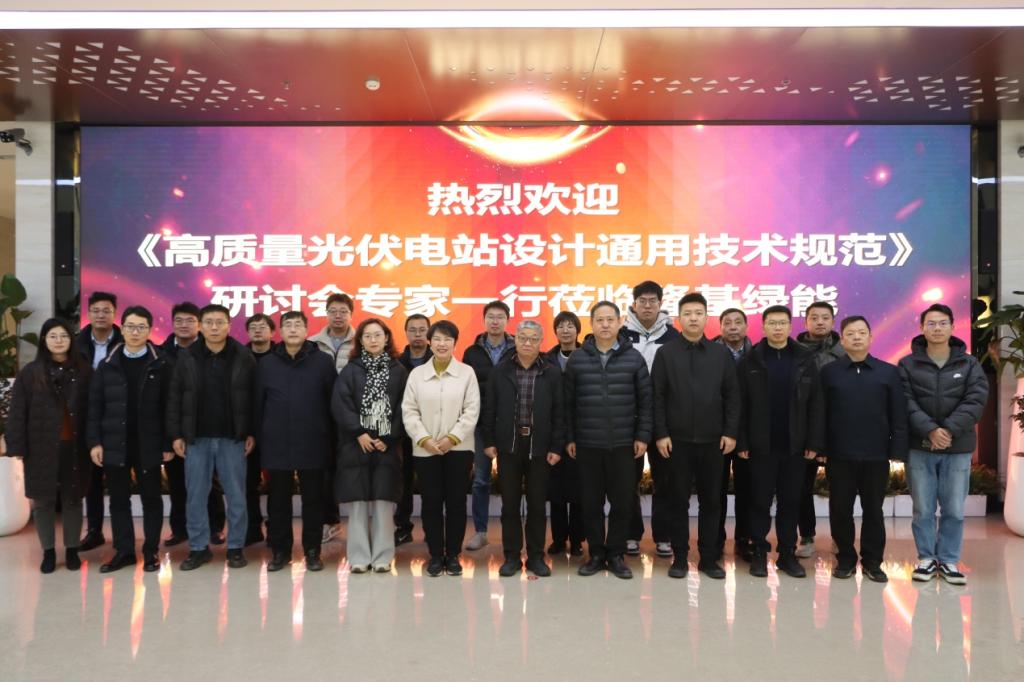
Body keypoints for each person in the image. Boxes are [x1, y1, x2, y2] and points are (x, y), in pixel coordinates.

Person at [651, 293, 740, 580]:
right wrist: (661, 433)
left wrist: (730, 431)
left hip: (713, 441)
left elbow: (732, 396)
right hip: (676, 442)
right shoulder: (666, 353)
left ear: (706, 317)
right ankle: (679, 557)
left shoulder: (720, 354)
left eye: (698, 313)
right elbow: (657, 396)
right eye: (687, 313)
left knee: (711, 501)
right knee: (677, 501)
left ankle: (708, 558)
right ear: (678, 319)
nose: (693, 318)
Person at [899, 304, 988, 585]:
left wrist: (947, 429)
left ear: (952, 326)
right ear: (921, 327)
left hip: (957, 447)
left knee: (954, 509)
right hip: (920, 446)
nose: (936, 328)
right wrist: (929, 430)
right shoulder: (907, 364)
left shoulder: (969, 364)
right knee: (923, 509)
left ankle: (949, 560)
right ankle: (926, 559)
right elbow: (905, 401)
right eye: (931, 323)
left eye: (942, 323)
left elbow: (976, 400)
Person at [166, 304, 257, 571]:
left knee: (236, 496)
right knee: (195, 496)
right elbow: (174, 397)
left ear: (229, 325)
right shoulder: (187, 357)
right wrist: (176, 434)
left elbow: (254, 398)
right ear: (201, 326)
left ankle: (236, 548)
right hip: (196, 439)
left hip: (232, 438)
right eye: (209, 322)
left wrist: (251, 431)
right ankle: (198, 548)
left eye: (220, 322)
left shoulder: (243, 356)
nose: (214, 327)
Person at [564, 301, 652, 580]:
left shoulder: (633, 358)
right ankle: (596, 554)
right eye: (599, 320)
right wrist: (570, 437)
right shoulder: (578, 359)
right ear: (591, 324)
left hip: (624, 444)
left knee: (623, 502)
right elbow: (568, 404)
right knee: (590, 503)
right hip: (587, 444)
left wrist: (642, 436)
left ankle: (615, 554)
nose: (605, 324)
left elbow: (646, 402)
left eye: (610, 319)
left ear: (619, 322)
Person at [735, 305, 824, 579]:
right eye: (772, 323)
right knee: (759, 501)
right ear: (763, 327)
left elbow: (816, 404)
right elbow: (740, 405)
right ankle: (759, 553)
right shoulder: (750, 360)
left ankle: (787, 554)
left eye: (782, 323)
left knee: (791, 501)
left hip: (795, 445)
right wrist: (742, 441)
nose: (777, 328)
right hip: (760, 445)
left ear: (790, 326)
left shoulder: (805, 358)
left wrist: (814, 442)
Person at [820, 316, 908, 583]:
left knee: (873, 510)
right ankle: (845, 559)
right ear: (842, 339)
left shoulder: (888, 372)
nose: (856, 337)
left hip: (876, 454)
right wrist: (820, 447)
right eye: (850, 333)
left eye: (861, 333)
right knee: (840, 509)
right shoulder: (829, 372)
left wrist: (897, 451)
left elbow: (898, 414)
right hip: (840, 454)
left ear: (870, 338)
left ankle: (872, 562)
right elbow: (820, 413)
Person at [87, 306, 173, 573]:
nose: (135, 332)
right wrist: (95, 442)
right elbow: (95, 406)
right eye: (130, 326)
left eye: (141, 327)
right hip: (115, 443)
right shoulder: (107, 364)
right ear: (121, 329)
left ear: (149, 331)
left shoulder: (162, 363)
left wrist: (168, 443)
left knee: (151, 499)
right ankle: (124, 551)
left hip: (149, 443)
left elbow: (169, 407)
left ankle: (150, 551)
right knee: (119, 500)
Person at [5, 319, 92, 573]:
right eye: (53, 336)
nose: (59, 341)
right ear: (44, 340)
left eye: (64, 336)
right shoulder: (31, 372)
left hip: (75, 446)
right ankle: (49, 552)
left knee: (73, 499)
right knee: (43, 501)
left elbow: (93, 409)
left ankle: (72, 550)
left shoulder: (84, 371)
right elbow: (17, 412)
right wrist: (16, 445)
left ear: (71, 340)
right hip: (40, 446)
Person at [482, 320, 565, 578]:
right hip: (509, 445)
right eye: (523, 338)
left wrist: (557, 446)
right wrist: (488, 441)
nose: (527, 343)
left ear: (541, 342)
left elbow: (560, 413)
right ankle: (511, 557)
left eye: (533, 338)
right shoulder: (501, 371)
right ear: (515, 339)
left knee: (537, 506)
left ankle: (536, 557)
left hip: (540, 447)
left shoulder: (552, 372)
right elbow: (489, 408)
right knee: (509, 505)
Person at [256, 310, 336, 572]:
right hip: (276, 443)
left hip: (313, 441)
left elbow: (332, 402)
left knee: (313, 500)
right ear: (280, 331)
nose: (292, 329)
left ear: (306, 330)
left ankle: (312, 551)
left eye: (297, 325)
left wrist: (331, 439)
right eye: (287, 325)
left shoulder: (323, 361)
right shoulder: (267, 363)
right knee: (278, 501)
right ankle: (280, 551)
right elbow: (258, 403)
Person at [402, 320, 480, 577]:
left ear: (455, 343)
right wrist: (424, 439)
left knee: (456, 502)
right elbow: (409, 411)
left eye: (447, 339)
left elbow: (472, 410)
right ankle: (436, 555)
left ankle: (453, 555)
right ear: (429, 342)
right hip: (425, 450)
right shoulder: (417, 375)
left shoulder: (467, 373)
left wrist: (452, 438)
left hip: (459, 449)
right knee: (431, 503)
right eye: (437, 339)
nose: (442, 344)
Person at [333, 319, 409, 573]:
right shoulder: (350, 370)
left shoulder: (399, 370)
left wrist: (389, 437)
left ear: (387, 338)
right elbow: (340, 404)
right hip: (356, 445)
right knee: (357, 503)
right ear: (360, 341)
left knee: (383, 502)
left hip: (387, 446)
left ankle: (382, 557)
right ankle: (358, 557)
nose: (373, 340)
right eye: (367, 336)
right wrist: (359, 432)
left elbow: (405, 407)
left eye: (378, 335)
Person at [619, 281, 679, 558]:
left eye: (652, 301)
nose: (647, 305)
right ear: (634, 304)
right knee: (627, 481)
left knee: (665, 480)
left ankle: (664, 536)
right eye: (641, 301)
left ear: (660, 303)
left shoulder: (673, 336)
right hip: (629, 418)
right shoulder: (620, 335)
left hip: (664, 420)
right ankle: (631, 534)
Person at [160, 301, 226, 548]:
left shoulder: (211, 351)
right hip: (175, 428)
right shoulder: (162, 353)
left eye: (190, 320)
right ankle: (180, 529)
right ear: (172, 323)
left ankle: (215, 527)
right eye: (179, 320)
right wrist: (169, 434)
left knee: (210, 482)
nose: (184, 325)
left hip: (205, 428)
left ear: (199, 325)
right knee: (177, 483)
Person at [462, 300, 515, 552]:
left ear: (507, 320)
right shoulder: (472, 352)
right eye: (491, 317)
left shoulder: (517, 348)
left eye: (500, 317)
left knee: (510, 481)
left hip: (511, 423)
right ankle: (481, 532)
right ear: (484, 320)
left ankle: (511, 533)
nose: (495, 321)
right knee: (481, 479)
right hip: (481, 423)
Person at [795, 301, 846, 558]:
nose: (819, 322)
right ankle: (806, 536)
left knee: (840, 489)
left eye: (825, 317)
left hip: (837, 429)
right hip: (803, 430)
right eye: (814, 317)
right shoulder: (794, 352)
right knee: (801, 488)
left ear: (833, 321)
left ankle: (840, 537)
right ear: (805, 322)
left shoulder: (845, 352)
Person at [77, 291, 123, 553]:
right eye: (96, 310)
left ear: (115, 314)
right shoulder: (76, 344)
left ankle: (122, 535)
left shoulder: (127, 341)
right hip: (86, 419)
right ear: (89, 313)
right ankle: (94, 531)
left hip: (119, 419)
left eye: (106, 310)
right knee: (91, 480)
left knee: (117, 480)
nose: (101, 315)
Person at [310, 292, 355, 544]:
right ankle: (331, 521)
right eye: (333, 311)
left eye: (343, 312)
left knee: (351, 468)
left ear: (351, 315)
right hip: (321, 416)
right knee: (324, 469)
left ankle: (361, 525)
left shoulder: (362, 341)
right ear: (326, 314)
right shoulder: (312, 343)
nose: (338, 316)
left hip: (352, 416)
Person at [712, 307, 753, 561]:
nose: (733, 327)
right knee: (715, 489)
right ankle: (715, 540)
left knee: (747, 489)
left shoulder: (757, 355)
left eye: (738, 322)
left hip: (748, 433)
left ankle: (744, 539)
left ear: (747, 327)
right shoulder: (709, 353)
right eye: (727, 322)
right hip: (715, 432)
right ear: (720, 327)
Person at [545, 311, 584, 556]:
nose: (566, 330)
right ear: (555, 331)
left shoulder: (587, 356)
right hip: (553, 433)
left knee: (579, 491)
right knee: (556, 490)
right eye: (561, 326)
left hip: (581, 432)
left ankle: (577, 540)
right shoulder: (546, 359)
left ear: (578, 330)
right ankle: (559, 539)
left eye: (570, 326)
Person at [395, 314, 431, 546]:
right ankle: (403, 527)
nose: (417, 334)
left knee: (430, 484)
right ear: (406, 333)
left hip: (431, 433)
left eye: (422, 330)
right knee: (403, 482)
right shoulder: (396, 363)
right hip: (403, 433)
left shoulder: (438, 360)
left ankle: (431, 528)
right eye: (413, 330)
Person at [243, 312, 277, 545]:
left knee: (276, 484)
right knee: (247, 483)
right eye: (253, 327)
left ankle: (275, 528)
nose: (257, 330)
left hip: (275, 429)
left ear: (272, 332)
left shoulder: (281, 356)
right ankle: (252, 528)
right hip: (247, 430)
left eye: (262, 326)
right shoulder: (239, 356)